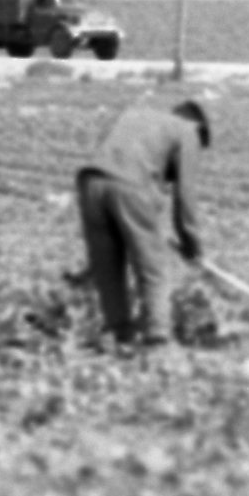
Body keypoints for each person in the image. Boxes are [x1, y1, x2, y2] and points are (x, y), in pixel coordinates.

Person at [77, 88, 214, 347]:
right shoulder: (188, 131)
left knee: (108, 267)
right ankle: (157, 338)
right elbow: (184, 195)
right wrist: (193, 245)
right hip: (130, 186)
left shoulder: (137, 116)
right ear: (199, 127)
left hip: (90, 183)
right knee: (153, 268)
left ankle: (119, 336)